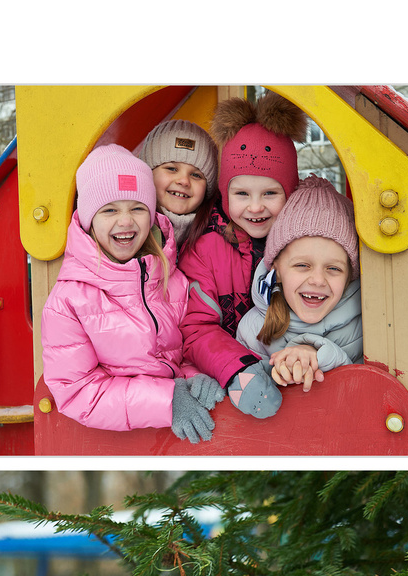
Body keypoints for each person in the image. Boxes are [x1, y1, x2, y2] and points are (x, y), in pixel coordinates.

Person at [41, 145, 216, 440]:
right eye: (109, 210)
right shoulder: (69, 301)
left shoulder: (172, 278)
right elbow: (77, 392)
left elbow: (184, 350)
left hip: (178, 433)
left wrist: (196, 377)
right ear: (89, 219)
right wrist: (166, 400)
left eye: (137, 208)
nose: (125, 221)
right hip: (119, 441)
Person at [179, 95, 303, 390]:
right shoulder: (205, 248)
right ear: (224, 194)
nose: (256, 207)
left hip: (295, 370)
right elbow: (196, 328)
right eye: (242, 194)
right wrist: (240, 369)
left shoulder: (303, 241)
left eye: (270, 194)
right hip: (231, 375)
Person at [228, 178, 364, 419]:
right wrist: (274, 374)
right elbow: (243, 397)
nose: (318, 280)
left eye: (334, 269)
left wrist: (318, 354)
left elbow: (368, 395)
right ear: (277, 270)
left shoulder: (367, 321)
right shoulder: (253, 328)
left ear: (350, 276)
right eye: (302, 265)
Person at [135, 116, 218, 260]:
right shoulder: (128, 230)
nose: (184, 181)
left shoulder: (217, 237)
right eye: (172, 169)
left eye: (196, 175)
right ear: (148, 174)